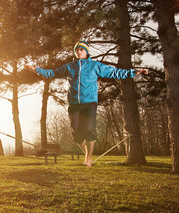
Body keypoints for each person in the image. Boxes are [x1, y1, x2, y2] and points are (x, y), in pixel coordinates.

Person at [25, 40, 148, 168]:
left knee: (90, 129)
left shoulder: (94, 66)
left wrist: (135, 72)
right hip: (74, 104)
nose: (79, 51)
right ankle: (87, 155)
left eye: (81, 49)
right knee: (77, 136)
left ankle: (88, 159)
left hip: (90, 102)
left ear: (86, 52)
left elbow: (114, 72)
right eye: (77, 49)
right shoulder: (69, 66)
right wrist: (36, 69)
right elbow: (52, 73)